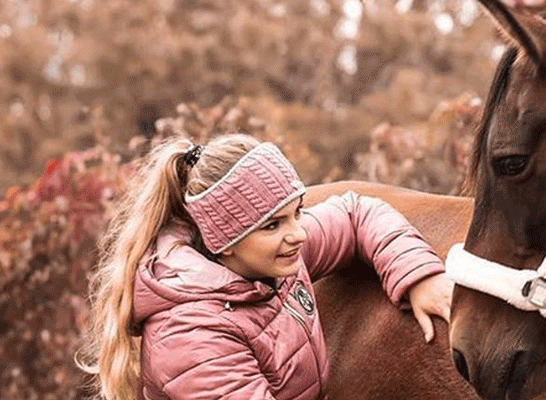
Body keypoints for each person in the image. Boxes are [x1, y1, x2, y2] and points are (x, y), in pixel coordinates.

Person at [79, 134, 453, 400]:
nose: (298, 235)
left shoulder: (271, 259)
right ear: (221, 242)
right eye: (272, 225)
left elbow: (356, 212)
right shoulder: (191, 336)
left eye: (297, 213)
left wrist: (420, 276)